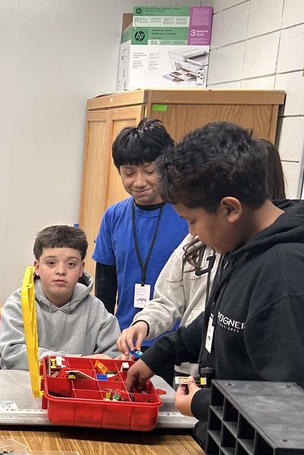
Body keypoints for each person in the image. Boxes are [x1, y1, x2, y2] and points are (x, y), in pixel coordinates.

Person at [125, 122, 304, 445]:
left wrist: (202, 403)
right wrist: (159, 355)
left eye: (193, 221)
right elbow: (220, 321)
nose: (192, 233)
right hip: (241, 444)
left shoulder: (288, 277)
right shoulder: (245, 245)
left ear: (230, 209)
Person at [117, 138, 289, 372]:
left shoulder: (277, 260)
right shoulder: (197, 239)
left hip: (233, 382)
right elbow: (172, 300)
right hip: (191, 370)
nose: (192, 229)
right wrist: (145, 323)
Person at [92, 118, 189, 333]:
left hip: (176, 340)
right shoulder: (113, 216)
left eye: (149, 171)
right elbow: (105, 287)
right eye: (129, 173)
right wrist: (105, 338)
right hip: (125, 337)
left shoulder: (188, 214)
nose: (138, 181)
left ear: (166, 168)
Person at [0, 224, 119, 370]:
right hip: (24, 387)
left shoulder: (97, 311)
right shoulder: (18, 304)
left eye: (70, 264)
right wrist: (77, 362)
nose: (61, 271)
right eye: (51, 263)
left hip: (79, 390)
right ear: (37, 267)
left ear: (81, 268)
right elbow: (13, 356)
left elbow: (111, 360)